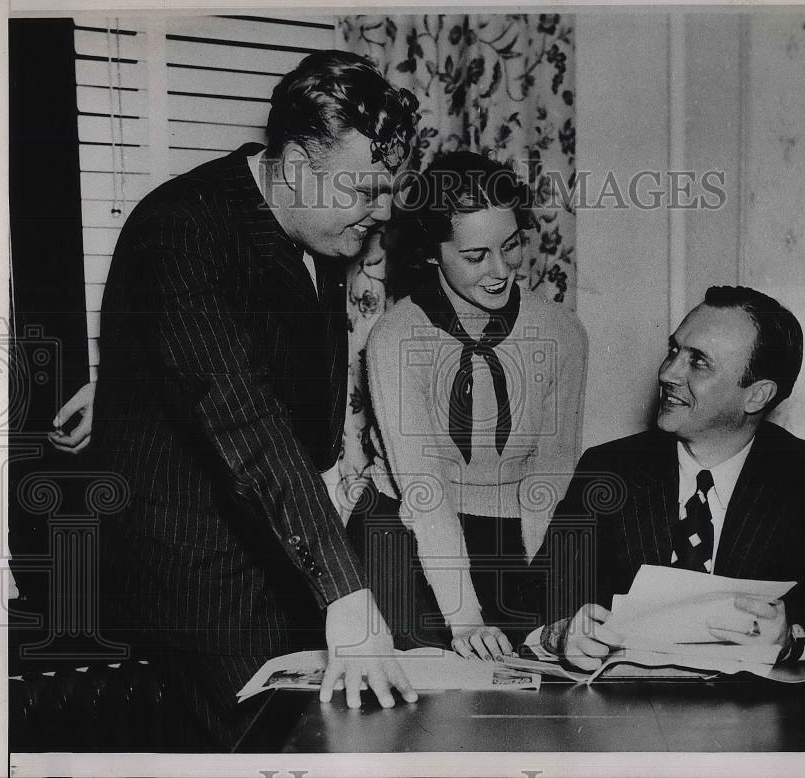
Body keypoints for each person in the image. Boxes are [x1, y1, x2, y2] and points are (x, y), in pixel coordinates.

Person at [51, 51, 421, 749]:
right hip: (196, 561)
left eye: (389, 189)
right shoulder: (185, 227)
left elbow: (248, 360)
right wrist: (344, 589)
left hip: (283, 540)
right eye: (365, 190)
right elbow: (240, 412)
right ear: (293, 162)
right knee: (276, 750)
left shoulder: (318, 225)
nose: (382, 211)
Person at [536, 286, 805, 673]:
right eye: (674, 350)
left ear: (757, 395)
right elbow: (533, 597)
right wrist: (559, 633)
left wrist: (793, 639)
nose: (668, 372)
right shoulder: (611, 469)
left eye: (698, 362)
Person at [346, 151, 588, 660]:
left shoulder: (562, 331)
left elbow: (554, 468)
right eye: (476, 256)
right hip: (403, 530)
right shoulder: (397, 337)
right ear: (433, 254)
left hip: (513, 535)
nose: (501, 270)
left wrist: (544, 594)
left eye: (511, 245)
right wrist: (465, 619)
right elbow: (424, 486)